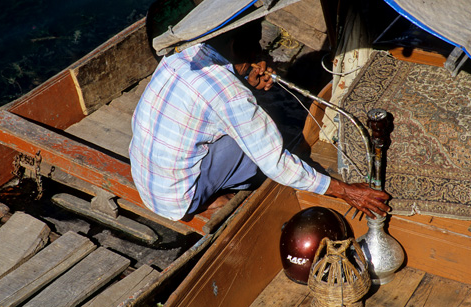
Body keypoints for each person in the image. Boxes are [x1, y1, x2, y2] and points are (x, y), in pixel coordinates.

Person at [129, 20, 390, 222]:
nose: (259, 54)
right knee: (263, 142)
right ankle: (199, 200)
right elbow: (274, 162)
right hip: (176, 198)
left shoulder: (182, 51)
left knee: (245, 125)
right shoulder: (230, 94)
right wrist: (345, 191)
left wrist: (245, 79)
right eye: (254, 47)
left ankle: (200, 193)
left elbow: (215, 98)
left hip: (148, 180)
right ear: (233, 46)